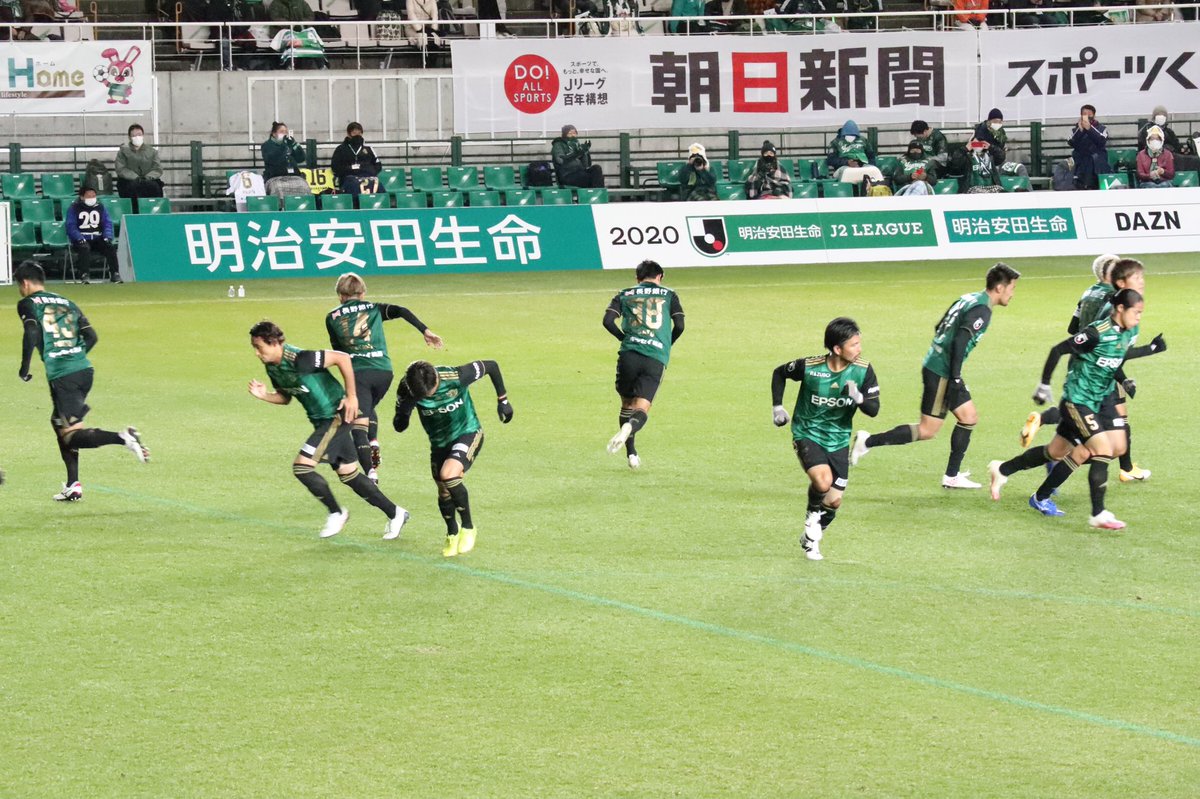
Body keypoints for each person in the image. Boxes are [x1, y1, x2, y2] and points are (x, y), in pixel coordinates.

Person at [988, 289, 1156, 529]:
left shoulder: (1128, 332)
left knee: (1057, 452)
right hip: (1077, 400)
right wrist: (1044, 385)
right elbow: (1058, 349)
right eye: (1136, 312)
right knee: (1102, 449)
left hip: (1098, 401)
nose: (1139, 317)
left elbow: (1116, 359)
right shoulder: (1096, 333)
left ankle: (1005, 471)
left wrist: (1145, 355)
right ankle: (1098, 513)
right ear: (1120, 308)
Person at [851, 263, 1021, 489]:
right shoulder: (982, 310)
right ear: (1000, 288)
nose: (1013, 293)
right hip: (942, 371)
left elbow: (939, 325)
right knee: (927, 430)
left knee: (969, 417)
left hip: (939, 365)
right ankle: (867, 441)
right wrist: (955, 378)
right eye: (1012, 287)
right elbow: (960, 341)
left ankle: (952, 476)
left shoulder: (968, 298)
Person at [248, 320, 410, 540]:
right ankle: (396, 513)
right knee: (349, 475)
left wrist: (352, 396)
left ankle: (337, 512)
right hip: (322, 422)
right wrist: (264, 396)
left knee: (302, 467)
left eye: (259, 347)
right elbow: (285, 397)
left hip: (335, 416)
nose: (257, 353)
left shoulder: (299, 358)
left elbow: (342, 358)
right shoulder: (273, 368)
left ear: (274, 342)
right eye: (254, 348)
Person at [14, 261, 149, 502]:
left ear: (24, 283)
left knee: (70, 435)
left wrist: (25, 368)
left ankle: (123, 437)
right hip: (84, 371)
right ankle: (72, 484)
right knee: (58, 423)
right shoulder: (67, 302)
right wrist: (74, 356)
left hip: (64, 377)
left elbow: (32, 332)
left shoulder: (28, 303)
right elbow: (91, 336)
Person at [1022, 258, 1158, 483]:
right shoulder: (1116, 303)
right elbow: (1110, 342)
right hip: (1101, 368)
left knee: (1080, 416)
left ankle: (1046, 423)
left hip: (1082, 362)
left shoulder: (1089, 293)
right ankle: (1120, 468)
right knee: (1110, 428)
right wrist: (1123, 377)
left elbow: (1073, 328)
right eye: (1135, 276)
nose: (1140, 281)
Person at [771, 318, 880, 561]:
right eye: (854, 344)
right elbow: (779, 373)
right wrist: (778, 407)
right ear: (837, 349)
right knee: (822, 482)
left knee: (834, 501)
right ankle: (811, 519)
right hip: (807, 433)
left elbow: (874, 410)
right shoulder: (810, 367)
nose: (859, 348)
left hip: (839, 440)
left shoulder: (863, 370)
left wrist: (858, 397)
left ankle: (811, 536)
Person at [325, 272, 444, 483]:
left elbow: (340, 352)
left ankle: (371, 474)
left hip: (359, 373)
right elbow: (400, 310)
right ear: (362, 293)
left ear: (340, 295)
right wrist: (424, 330)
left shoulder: (332, 317)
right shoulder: (374, 308)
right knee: (367, 407)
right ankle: (373, 441)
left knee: (357, 424)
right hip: (384, 372)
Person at [392, 358, 513, 557]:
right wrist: (404, 413)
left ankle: (468, 527)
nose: (426, 397)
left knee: (449, 475)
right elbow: (399, 425)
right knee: (443, 490)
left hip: (468, 431)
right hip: (439, 443)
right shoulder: (407, 388)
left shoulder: (456, 376)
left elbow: (491, 366)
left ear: (436, 381)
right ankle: (452, 532)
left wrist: (503, 401)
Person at [603, 259, 685, 468]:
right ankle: (631, 428)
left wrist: (624, 339)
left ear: (637, 278)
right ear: (660, 277)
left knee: (626, 404)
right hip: (655, 356)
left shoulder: (624, 294)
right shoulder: (669, 294)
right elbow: (680, 325)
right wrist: (666, 344)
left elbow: (607, 321)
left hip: (629, 355)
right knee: (642, 408)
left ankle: (631, 453)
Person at [64, 187, 122, 284]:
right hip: (82, 239)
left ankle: (115, 273)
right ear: (82, 197)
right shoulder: (74, 208)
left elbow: (107, 223)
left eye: (94, 196)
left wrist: (107, 236)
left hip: (97, 238)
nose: (92, 198)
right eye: (89, 196)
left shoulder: (101, 207)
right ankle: (84, 274)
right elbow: (71, 226)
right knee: (84, 248)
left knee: (110, 247)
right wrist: (79, 237)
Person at [114, 124, 164, 207]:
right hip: (129, 181)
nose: (137, 137)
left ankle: (154, 212)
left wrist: (147, 177)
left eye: (139, 134)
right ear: (129, 137)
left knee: (155, 186)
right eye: (134, 135)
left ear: (143, 135)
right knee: (132, 187)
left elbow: (157, 168)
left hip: (148, 180)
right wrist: (135, 177)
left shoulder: (152, 151)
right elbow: (121, 169)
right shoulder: (123, 152)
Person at [261, 121, 311, 199]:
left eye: (286, 132)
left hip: (294, 176)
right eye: (281, 132)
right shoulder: (267, 145)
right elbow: (272, 159)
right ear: (274, 134)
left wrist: (294, 144)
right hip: (276, 177)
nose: (284, 134)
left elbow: (301, 158)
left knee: (304, 187)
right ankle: (281, 208)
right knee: (279, 189)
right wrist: (284, 147)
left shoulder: (288, 144)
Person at [330, 122, 382, 195]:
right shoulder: (340, 149)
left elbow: (378, 166)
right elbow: (335, 167)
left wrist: (365, 170)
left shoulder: (369, 149)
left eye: (359, 133)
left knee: (378, 184)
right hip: (348, 179)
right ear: (349, 134)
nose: (357, 135)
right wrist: (350, 169)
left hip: (367, 177)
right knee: (353, 185)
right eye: (354, 133)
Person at [1068, 104, 1110, 190]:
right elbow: (1071, 142)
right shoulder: (1075, 130)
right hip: (1081, 162)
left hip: (1098, 162)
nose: (1087, 116)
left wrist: (1089, 129)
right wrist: (1080, 130)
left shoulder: (1102, 128)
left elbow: (1101, 141)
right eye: (1084, 113)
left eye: (1089, 113)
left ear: (1094, 115)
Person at [552, 124, 605, 189]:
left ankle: (598, 193)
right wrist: (575, 154)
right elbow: (560, 160)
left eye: (574, 133)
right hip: (567, 175)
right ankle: (594, 194)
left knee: (597, 169)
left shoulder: (576, 144)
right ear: (564, 134)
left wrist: (584, 152)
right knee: (591, 178)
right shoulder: (558, 144)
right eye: (570, 133)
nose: (572, 135)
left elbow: (586, 165)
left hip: (579, 172)